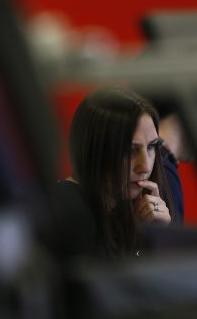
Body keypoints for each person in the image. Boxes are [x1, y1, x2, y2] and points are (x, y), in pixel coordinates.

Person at [50, 87, 174, 259]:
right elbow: (116, 282)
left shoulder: (127, 208)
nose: (145, 166)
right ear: (95, 150)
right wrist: (142, 238)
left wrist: (155, 235)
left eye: (152, 146)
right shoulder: (67, 209)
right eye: (130, 150)